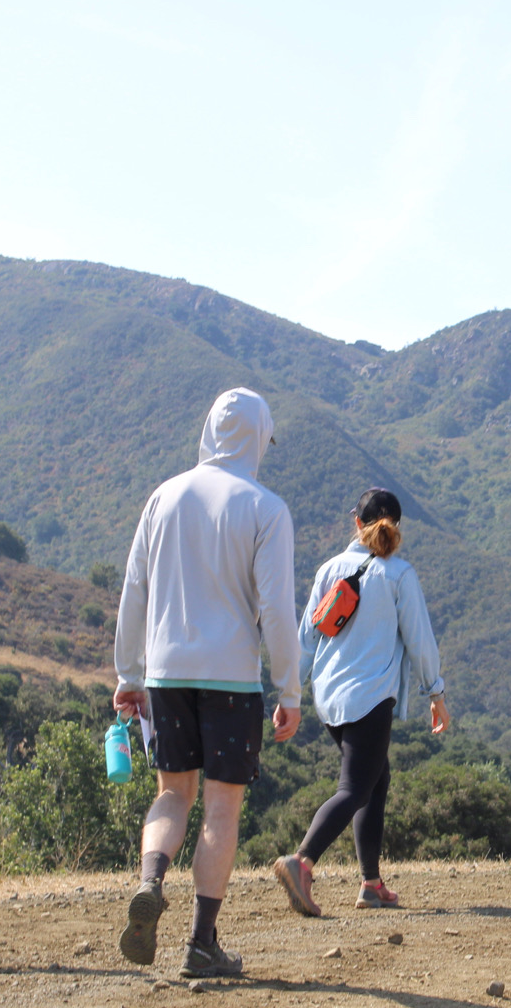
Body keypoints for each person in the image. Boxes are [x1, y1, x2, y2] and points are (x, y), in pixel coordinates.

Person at [113, 387, 302, 978]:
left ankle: (151, 882)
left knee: (174, 793)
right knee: (222, 806)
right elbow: (276, 609)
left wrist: (129, 675)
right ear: (258, 439)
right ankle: (200, 944)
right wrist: (290, 690)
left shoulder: (163, 497)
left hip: (166, 673)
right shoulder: (266, 508)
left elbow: (135, 590)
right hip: (231, 678)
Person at [273, 487, 446, 918]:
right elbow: (420, 640)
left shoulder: (329, 569)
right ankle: (302, 861)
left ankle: (371, 884)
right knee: (354, 789)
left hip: (330, 698)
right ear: (397, 528)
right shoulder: (399, 575)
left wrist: (290, 693)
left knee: (375, 780)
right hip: (370, 698)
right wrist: (436, 693)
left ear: (357, 523)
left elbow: (305, 640)